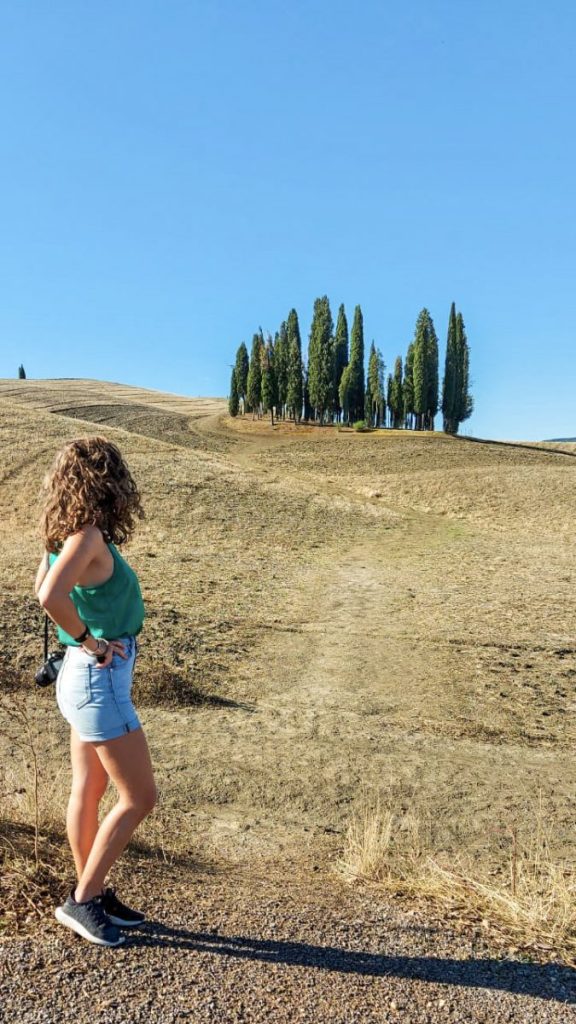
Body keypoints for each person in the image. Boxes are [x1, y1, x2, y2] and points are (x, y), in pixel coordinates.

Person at [34, 436, 158, 947]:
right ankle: (82, 901)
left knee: (89, 790)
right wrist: (91, 641)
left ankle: (93, 890)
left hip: (81, 679)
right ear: (106, 482)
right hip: (97, 679)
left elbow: (44, 584)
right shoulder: (86, 535)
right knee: (140, 795)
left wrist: (82, 641)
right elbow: (49, 596)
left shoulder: (66, 536)